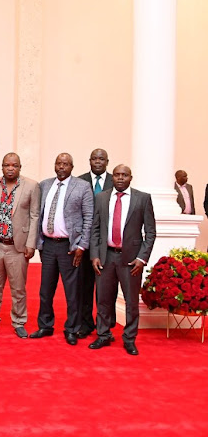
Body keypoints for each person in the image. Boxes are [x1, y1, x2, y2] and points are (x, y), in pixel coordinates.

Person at [89, 165, 156, 356]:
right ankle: (103, 335)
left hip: (131, 260)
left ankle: (129, 338)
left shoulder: (142, 198)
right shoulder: (101, 198)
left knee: (131, 302)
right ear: (113, 178)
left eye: (124, 175)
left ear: (130, 178)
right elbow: (95, 229)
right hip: (106, 256)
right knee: (103, 299)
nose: (120, 178)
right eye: (117, 175)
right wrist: (94, 255)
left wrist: (142, 259)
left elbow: (150, 232)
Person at [30, 153, 94, 346]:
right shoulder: (45, 185)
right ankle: (45, 325)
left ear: (72, 167)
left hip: (70, 247)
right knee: (45, 289)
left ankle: (72, 329)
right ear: (54, 165)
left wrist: (82, 246)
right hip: (48, 245)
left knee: (72, 291)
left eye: (66, 164)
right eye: (59, 163)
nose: (61, 167)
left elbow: (88, 218)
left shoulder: (82, 186)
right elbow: (38, 214)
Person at [0, 153, 39, 338]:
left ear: (20, 167)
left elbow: (34, 216)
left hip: (18, 246)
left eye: (14, 165)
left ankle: (19, 321)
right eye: (7, 165)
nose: (10, 168)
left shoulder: (31, 186)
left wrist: (31, 243)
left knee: (18, 288)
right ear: (2, 167)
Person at [76, 148, 114, 338]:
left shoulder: (116, 181)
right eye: (94, 159)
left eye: (102, 159)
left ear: (107, 161)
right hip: (84, 241)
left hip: (106, 243)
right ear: (89, 161)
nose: (98, 162)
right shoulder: (79, 180)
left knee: (105, 288)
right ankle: (85, 323)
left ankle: (104, 325)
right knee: (84, 285)